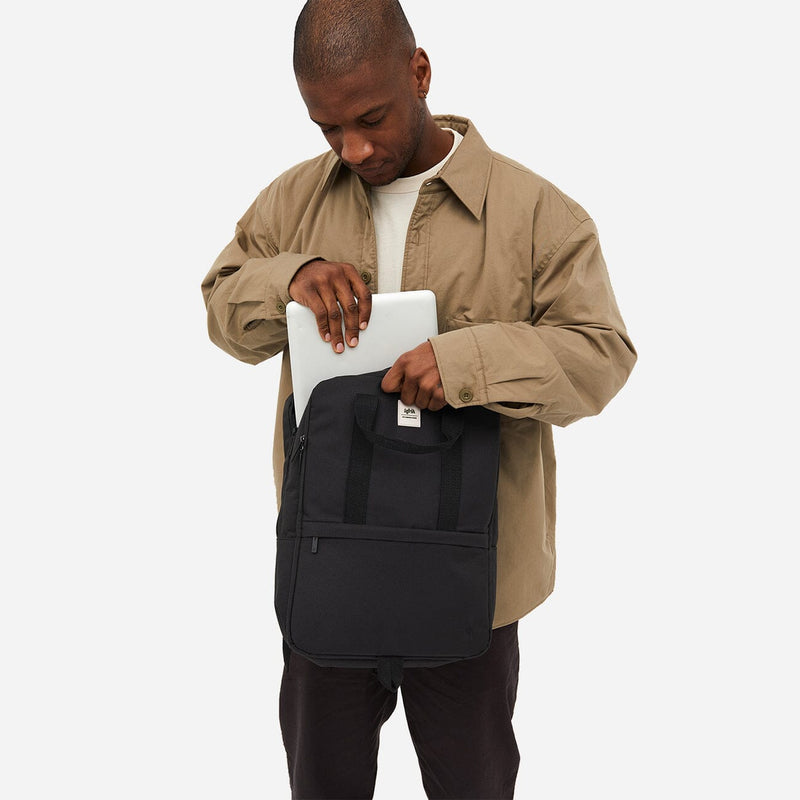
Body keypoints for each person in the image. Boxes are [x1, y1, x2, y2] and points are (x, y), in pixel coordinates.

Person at [201, 1, 636, 797]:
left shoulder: (539, 215)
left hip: (473, 577)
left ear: (420, 73)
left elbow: (601, 359)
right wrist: (287, 277)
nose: (353, 148)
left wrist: (468, 360)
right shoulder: (291, 201)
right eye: (328, 129)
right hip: (327, 564)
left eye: (369, 118)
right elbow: (224, 314)